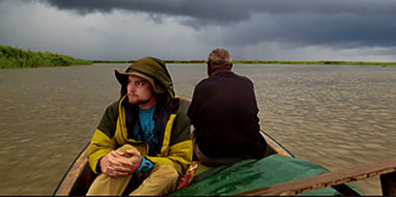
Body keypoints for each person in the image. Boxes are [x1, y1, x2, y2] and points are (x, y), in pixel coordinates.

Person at [86, 57, 193, 196]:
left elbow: (181, 161)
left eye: (140, 83)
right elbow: (97, 147)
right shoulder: (115, 111)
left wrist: (143, 163)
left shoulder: (177, 117)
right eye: (129, 82)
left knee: (170, 173)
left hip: (157, 175)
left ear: (156, 87)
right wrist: (102, 160)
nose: (131, 89)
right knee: (124, 152)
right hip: (124, 174)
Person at [187, 48, 267, 166]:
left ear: (209, 66)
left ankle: (196, 166)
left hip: (212, 156)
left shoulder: (202, 86)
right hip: (251, 153)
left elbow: (192, 118)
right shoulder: (247, 83)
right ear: (230, 66)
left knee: (193, 132)